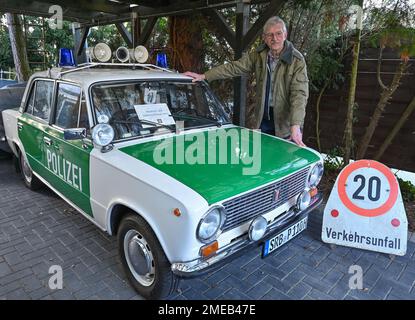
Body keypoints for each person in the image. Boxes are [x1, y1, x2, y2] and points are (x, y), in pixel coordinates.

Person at [184, 16, 308, 146]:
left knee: (283, 159)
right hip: (263, 119)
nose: (274, 38)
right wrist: (204, 76)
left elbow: (299, 94)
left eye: (278, 33)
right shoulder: (259, 55)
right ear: (264, 38)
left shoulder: (297, 60)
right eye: (270, 35)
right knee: (262, 158)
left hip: (285, 123)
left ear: (285, 35)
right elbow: (234, 67)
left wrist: (296, 125)